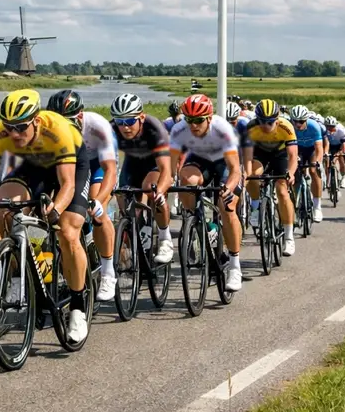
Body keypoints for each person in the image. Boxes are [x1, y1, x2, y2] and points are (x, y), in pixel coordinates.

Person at [0, 89, 91, 343]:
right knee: (6, 211)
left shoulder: (58, 130)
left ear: (36, 120)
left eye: (21, 127)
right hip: (33, 165)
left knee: (68, 232)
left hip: (70, 167)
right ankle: (17, 270)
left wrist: (56, 209)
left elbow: (67, 185)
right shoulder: (0, 134)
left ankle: (78, 307)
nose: (14, 133)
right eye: (9, 126)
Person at [47, 89, 119, 302]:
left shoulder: (98, 126)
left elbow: (110, 170)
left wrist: (99, 200)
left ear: (80, 115)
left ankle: (108, 273)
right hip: (70, 166)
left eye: (68, 121)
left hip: (98, 165)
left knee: (98, 213)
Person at [168, 94, 243, 291]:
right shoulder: (178, 130)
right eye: (189, 120)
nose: (193, 125)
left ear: (209, 118)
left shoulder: (222, 129)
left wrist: (228, 188)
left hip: (224, 163)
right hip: (200, 160)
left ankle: (235, 266)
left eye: (199, 120)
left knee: (226, 207)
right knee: (186, 181)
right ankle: (198, 222)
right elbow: (171, 166)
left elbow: (235, 169)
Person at [109, 93, 174, 264]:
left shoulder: (155, 129)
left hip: (155, 164)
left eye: (130, 121)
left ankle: (164, 238)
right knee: (123, 199)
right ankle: (135, 241)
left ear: (141, 117)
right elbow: (106, 164)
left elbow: (166, 170)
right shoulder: (111, 129)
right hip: (132, 163)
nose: (125, 127)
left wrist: (160, 191)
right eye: (120, 122)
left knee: (150, 188)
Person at [241, 98, 300, 256]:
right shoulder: (251, 127)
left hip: (281, 155)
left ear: (277, 119)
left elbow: (293, 155)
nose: (266, 125)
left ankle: (288, 237)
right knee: (252, 175)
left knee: (282, 190)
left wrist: (291, 173)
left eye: (270, 122)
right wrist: (246, 175)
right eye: (262, 121)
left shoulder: (286, 126)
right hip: (261, 154)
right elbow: (247, 157)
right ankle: (255, 206)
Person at [289, 105, 325, 223]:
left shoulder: (314, 126)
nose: (298, 124)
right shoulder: (289, 127)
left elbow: (319, 148)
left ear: (306, 119)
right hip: (297, 149)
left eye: (301, 121)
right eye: (295, 121)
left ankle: (317, 207)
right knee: (294, 175)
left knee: (314, 171)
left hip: (311, 150)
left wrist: (318, 162)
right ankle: (295, 203)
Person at [324, 115, 345, 189]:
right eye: (328, 127)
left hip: (339, 145)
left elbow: (344, 144)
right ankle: (327, 179)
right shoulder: (323, 130)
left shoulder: (341, 130)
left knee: (341, 160)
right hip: (329, 145)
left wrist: (344, 154)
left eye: (332, 127)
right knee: (327, 161)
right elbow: (324, 143)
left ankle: (343, 178)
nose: (330, 129)